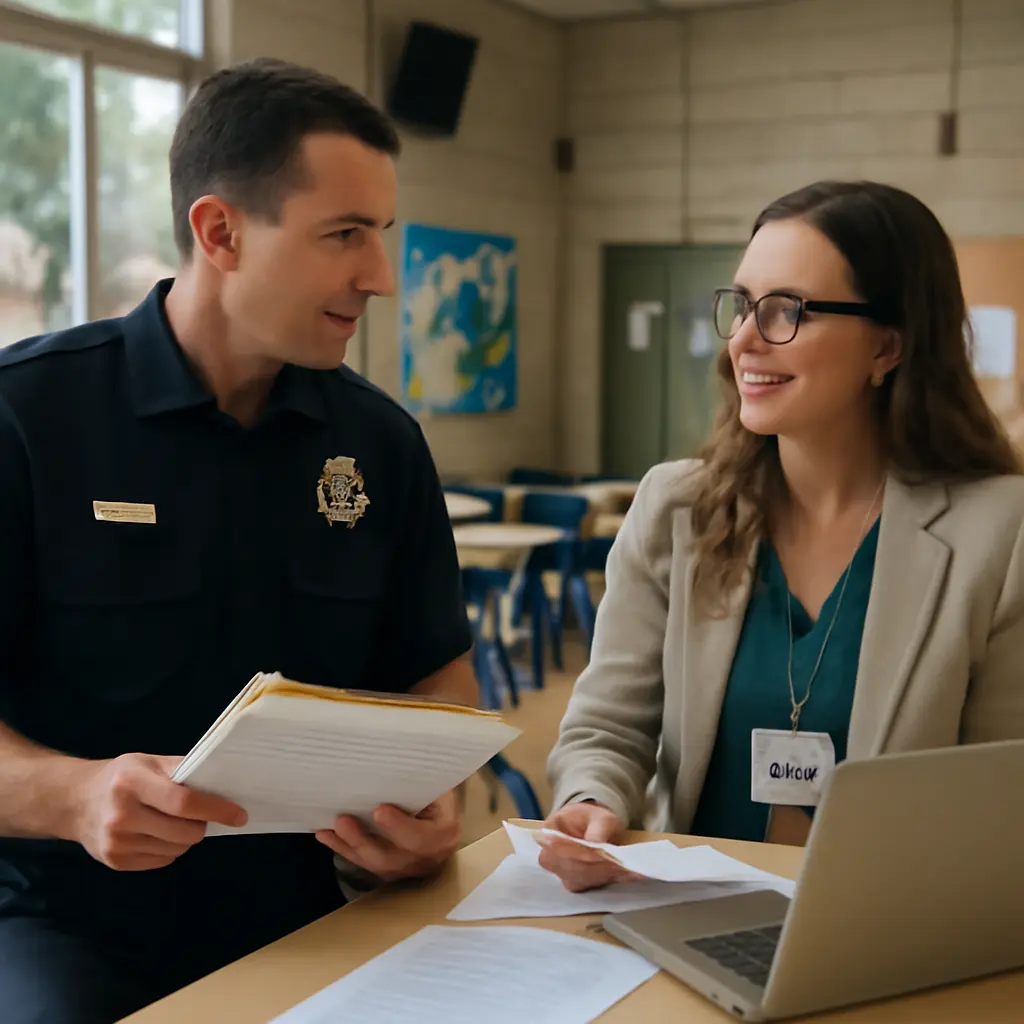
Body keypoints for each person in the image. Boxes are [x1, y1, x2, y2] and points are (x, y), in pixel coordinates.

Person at [0, 58, 477, 1022]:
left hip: (315, 911)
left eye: (380, 235)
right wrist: (77, 796)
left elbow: (441, 683)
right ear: (219, 231)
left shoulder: (381, 444)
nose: (379, 277)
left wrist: (433, 808)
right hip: (63, 920)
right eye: (344, 235)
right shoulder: (26, 419)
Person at [541, 180, 1024, 893]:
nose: (742, 339)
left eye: (785, 311)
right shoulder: (676, 509)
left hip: (884, 935)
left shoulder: (1000, 535)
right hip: (686, 926)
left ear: (887, 347)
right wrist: (592, 799)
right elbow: (608, 727)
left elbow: (998, 798)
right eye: (740, 306)